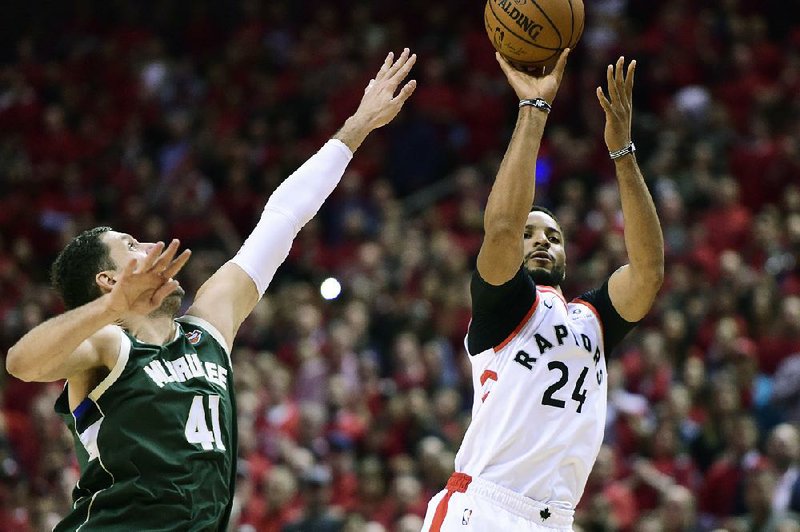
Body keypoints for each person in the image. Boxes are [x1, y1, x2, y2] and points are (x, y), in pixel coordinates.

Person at [5, 49, 418, 531]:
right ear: (108, 279)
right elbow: (22, 363)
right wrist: (113, 308)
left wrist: (357, 127)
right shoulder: (110, 345)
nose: (155, 243)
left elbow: (281, 220)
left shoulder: (206, 333)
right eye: (132, 244)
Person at [422, 50, 664, 531]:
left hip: (556, 520)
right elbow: (502, 228)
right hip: (485, 508)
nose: (540, 241)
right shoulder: (506, 305)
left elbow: (649, 270)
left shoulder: (592, 320)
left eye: (553, 236)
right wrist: (533, 110)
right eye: (532, 234)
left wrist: (622, 152)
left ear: (567, 257)